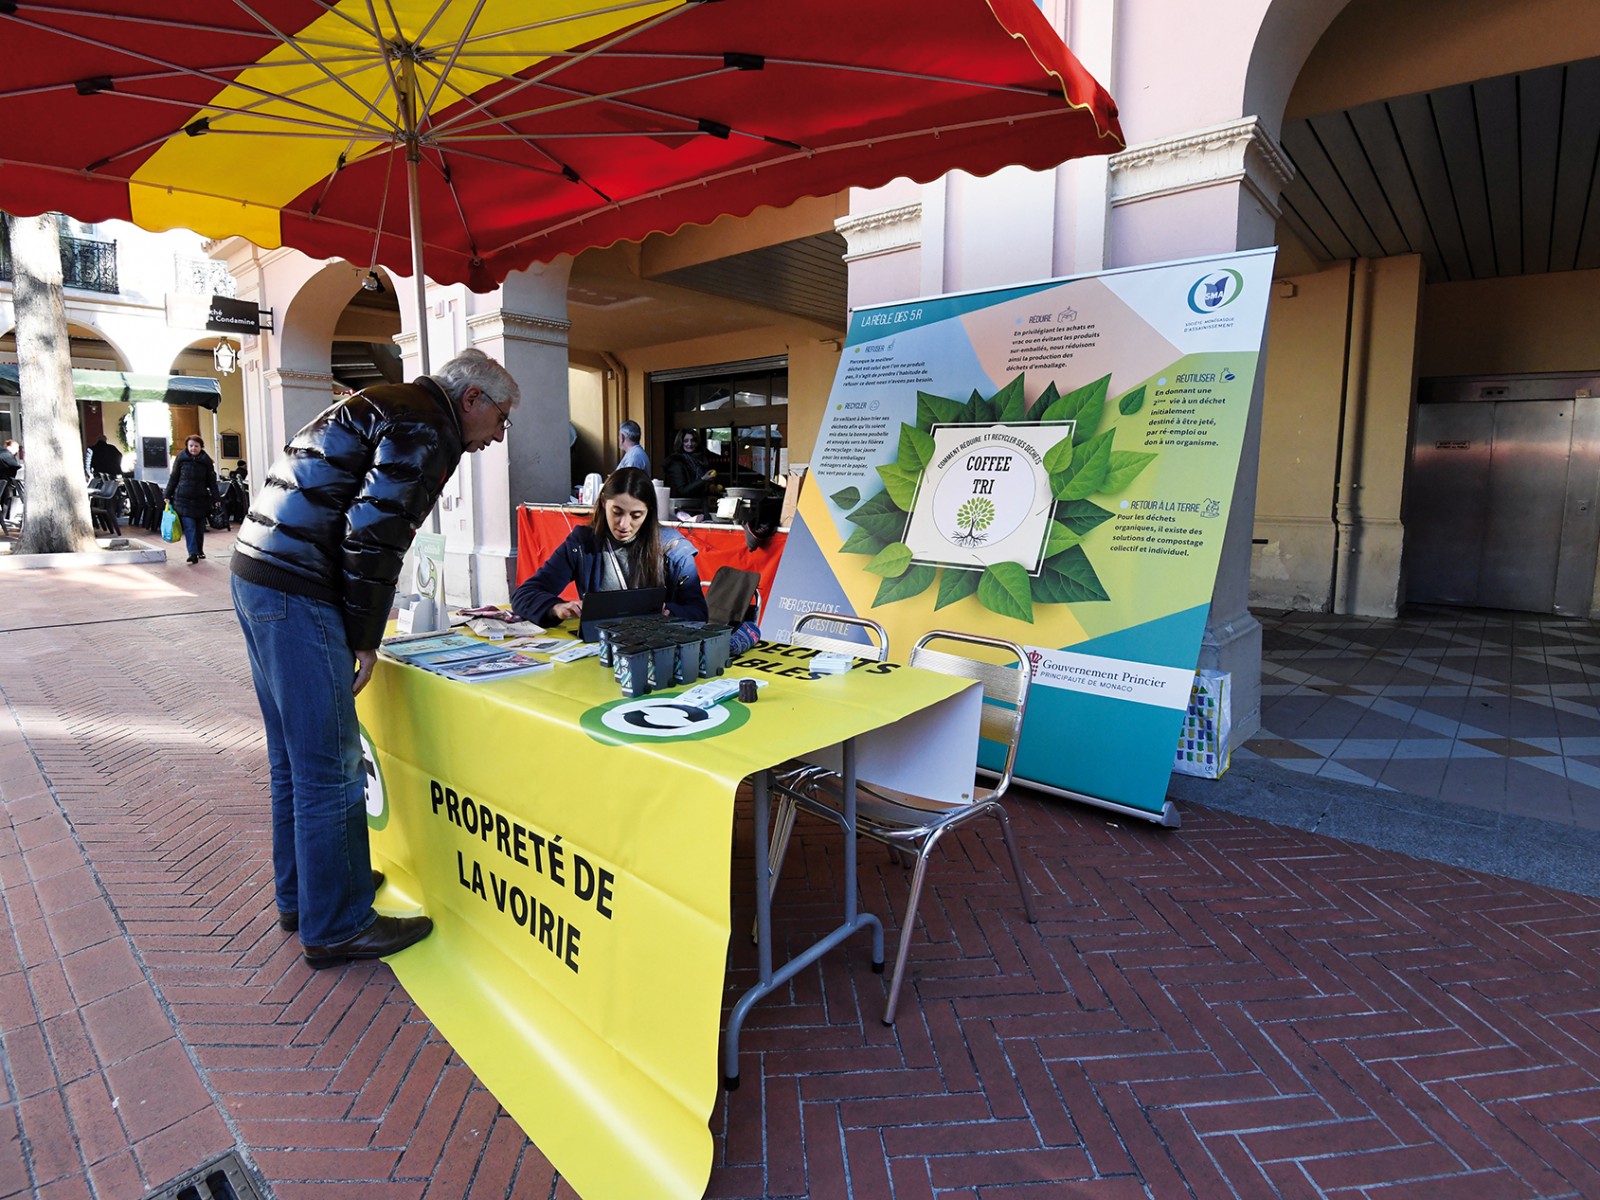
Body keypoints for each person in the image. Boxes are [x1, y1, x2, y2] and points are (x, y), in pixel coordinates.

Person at [231, 348, 519, 970]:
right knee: (330, 767)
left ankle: (307, 898)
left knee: (294, 757)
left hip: (259, 568)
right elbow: (376, 534)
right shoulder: (428, 425)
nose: (499, 435)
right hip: (296, 583)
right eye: (502, 417)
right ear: (471, 399)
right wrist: (366, 636)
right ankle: (336, 925)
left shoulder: (393, 403)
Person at [511, 467, 708, 626]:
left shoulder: (673, 549)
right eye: (617, 511)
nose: (624, 524)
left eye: (636, 515)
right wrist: (556, 608)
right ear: (604, 502)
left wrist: (667, 611)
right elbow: (524, 594)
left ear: (649, 512)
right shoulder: (582, 543)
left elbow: (699, 612)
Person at [165, 435, 219, 564]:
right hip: (182, 498)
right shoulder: (181, 459)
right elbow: (174, 478)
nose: (193, 448)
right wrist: (167, 495)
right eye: (191, 446)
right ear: (187, 447)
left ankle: (199, 550)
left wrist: (216, 498)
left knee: (200, 527)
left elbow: (212, 482)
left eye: (196, 446)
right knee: (189, 526)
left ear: (201, 447)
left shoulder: (206, 461)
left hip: (201, 499)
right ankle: (192, 553)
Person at [663, 428, 717, 511]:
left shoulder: (701, 460)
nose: (690, 444)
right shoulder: (676, 462)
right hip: (682, 509)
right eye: (686, 441)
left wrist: (710, 487)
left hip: (699, 506)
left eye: (693, 440)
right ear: (680, 443)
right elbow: (682, 491)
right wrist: (703, 480)